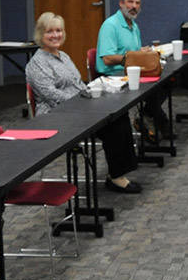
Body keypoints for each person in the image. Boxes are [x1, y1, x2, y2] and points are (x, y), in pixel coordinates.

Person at [28, 12, 142, 194]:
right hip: (56, 115)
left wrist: (92, 93)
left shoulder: (63, 56)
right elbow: (51, 95)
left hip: (79, 108)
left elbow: (78, 84)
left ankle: (118, 174)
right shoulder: (37, 63)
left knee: (119, 117)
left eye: (58, 30)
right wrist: (83, 103)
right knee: (112, 126)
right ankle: (117, 177)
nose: (55, 35)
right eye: (50, 31)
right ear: (41, 34)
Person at [96, 0, 170, 143]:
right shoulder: (110, 25)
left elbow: (132, 53)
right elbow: (108, 58)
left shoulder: (134, 25)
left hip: (131, 71)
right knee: (154, 89)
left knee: (166, 81)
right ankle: (156, 123)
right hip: (114, 76)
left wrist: (142, 52)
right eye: (130, 2)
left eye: (137, 3)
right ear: (121, 3)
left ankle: (146, 116)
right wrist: (133, 57)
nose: (134, 6)